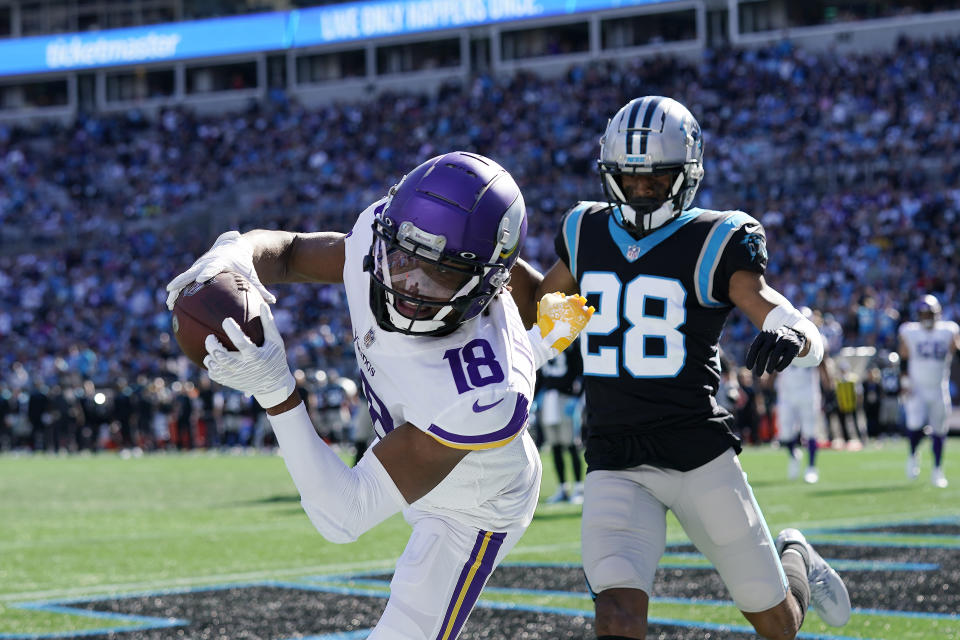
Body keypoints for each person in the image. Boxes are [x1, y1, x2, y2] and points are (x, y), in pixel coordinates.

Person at [165, 151, 593, 640]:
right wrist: (237, 253)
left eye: (440, 273)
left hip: (475, 501)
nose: (408, 283)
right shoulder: (382, 237)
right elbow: (287, 252)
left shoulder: (487, 393)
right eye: (404, 257)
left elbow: (343, 514)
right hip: (424, 420)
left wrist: (276, 391)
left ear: (488, 283)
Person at [508, 96, 850, 639]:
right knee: (616, 618)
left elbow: (766, 303)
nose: (642, 190)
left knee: (777, 624)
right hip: (614, 455)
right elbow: (547, 312)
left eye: (656, 179)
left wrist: (797, 335)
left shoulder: (715, 237)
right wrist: (491, 258)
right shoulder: (585, 231)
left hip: (696, 453)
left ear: (687, 175)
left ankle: (796, 556)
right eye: (631, 178)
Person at [898, 294, 960, 488]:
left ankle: (937, 469)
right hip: (917, 388)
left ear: (937, 314)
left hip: (939, 388)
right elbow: (903, 356)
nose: (926, 317)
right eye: (923, 313)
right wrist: (905, 381)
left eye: (929, 313)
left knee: (940, 430)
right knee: (915, 426)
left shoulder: (949, 330)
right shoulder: (910, 331)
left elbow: (956, 350)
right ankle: (913, 454)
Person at [773, 308, 826, 483]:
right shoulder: (781, 338)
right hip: (787, 392)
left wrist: (828, 383)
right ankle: (793, 455)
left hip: (808, 391)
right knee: (785, 434)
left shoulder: (818, 339)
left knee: (811, 431)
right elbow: (774, 362)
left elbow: (823, 363)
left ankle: (811, 467)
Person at [538, 337, 585, 503]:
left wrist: (577, 396)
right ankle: (562, 488)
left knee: (571, 444)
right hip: (548, 398)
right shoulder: (542, 339)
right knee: (555, 445)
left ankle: (579, 487)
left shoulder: (571, 341)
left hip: (566, 397)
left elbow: (581, 371)